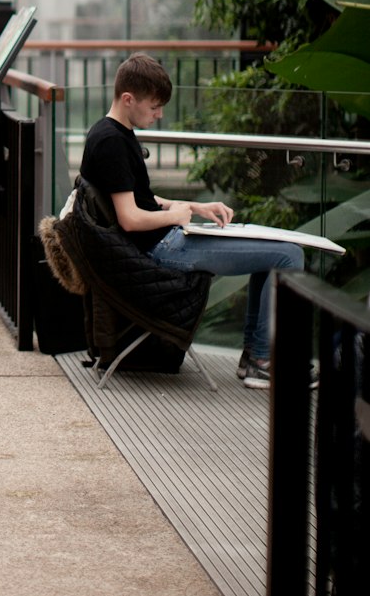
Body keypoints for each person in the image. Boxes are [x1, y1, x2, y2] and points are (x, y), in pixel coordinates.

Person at [81, 53, 305, 389]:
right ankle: (260, 361)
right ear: (128, 99)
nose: (159, 114)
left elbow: (142, 199)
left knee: (280, 252)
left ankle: (259, 357)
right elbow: (129, 219)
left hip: (164, 239)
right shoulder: (112, 142)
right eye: (154, 107)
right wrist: (175, 216)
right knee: (289, 255)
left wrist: (195, 207)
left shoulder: (110, 131)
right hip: (162, 249)